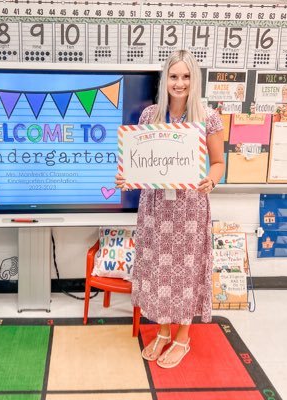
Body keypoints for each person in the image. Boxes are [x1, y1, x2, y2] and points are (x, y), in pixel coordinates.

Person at [115, 50, 224, 369]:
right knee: (159, 272)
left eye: (186, 76)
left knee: (186, 273)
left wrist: (211, 181)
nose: (180, 83)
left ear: (195, 79)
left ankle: (183, 337)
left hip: (190, 211)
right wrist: (126, 177)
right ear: (165, 81)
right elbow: (139, 164)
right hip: (155, 210)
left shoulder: (207, 116)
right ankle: (163, 331)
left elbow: (218, 163)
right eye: (174, 76)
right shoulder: (150, 115)